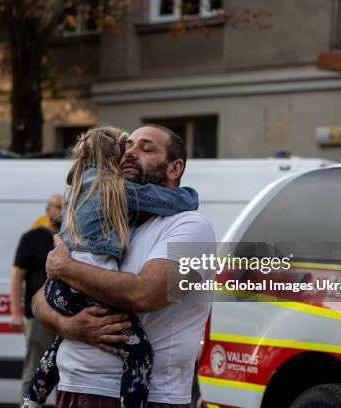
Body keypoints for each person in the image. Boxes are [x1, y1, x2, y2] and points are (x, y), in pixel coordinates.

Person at [32, 125, 216, 407]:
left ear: (174, 168)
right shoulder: (113, 222)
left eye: (146, 148)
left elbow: (145, 294)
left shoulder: (191, 226)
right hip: (74, 387)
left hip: (151, 397)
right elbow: (41, 300)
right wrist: (67, 325)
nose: (130, 153)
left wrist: (66, 268)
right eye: (127, 145)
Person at [10, 194, 63, 400]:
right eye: (57, 206)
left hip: (67, 316)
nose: (61, 211)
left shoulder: (71, 239)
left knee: (65, 371)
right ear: (48, 209)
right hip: (38, 315)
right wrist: (15, 313)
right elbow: (17, 275)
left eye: (65, 207)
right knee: (33, 369)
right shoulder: (31, 238)